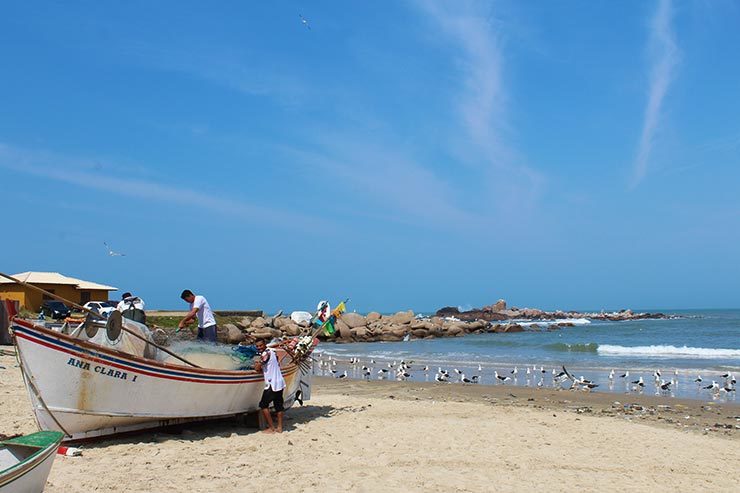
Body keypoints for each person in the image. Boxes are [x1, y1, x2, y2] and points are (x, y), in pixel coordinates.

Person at [254, 338, 286, 433]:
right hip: (279, 382)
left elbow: (257, 369)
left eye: (260, 346)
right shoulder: (272, 351)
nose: (259, 348)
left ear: (265, 345)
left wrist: (256, 363)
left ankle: (271, 428)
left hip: (271, 384)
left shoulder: (265, 354)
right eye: (257, 346)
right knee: (278, 405)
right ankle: (279, 427)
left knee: (263, 405)